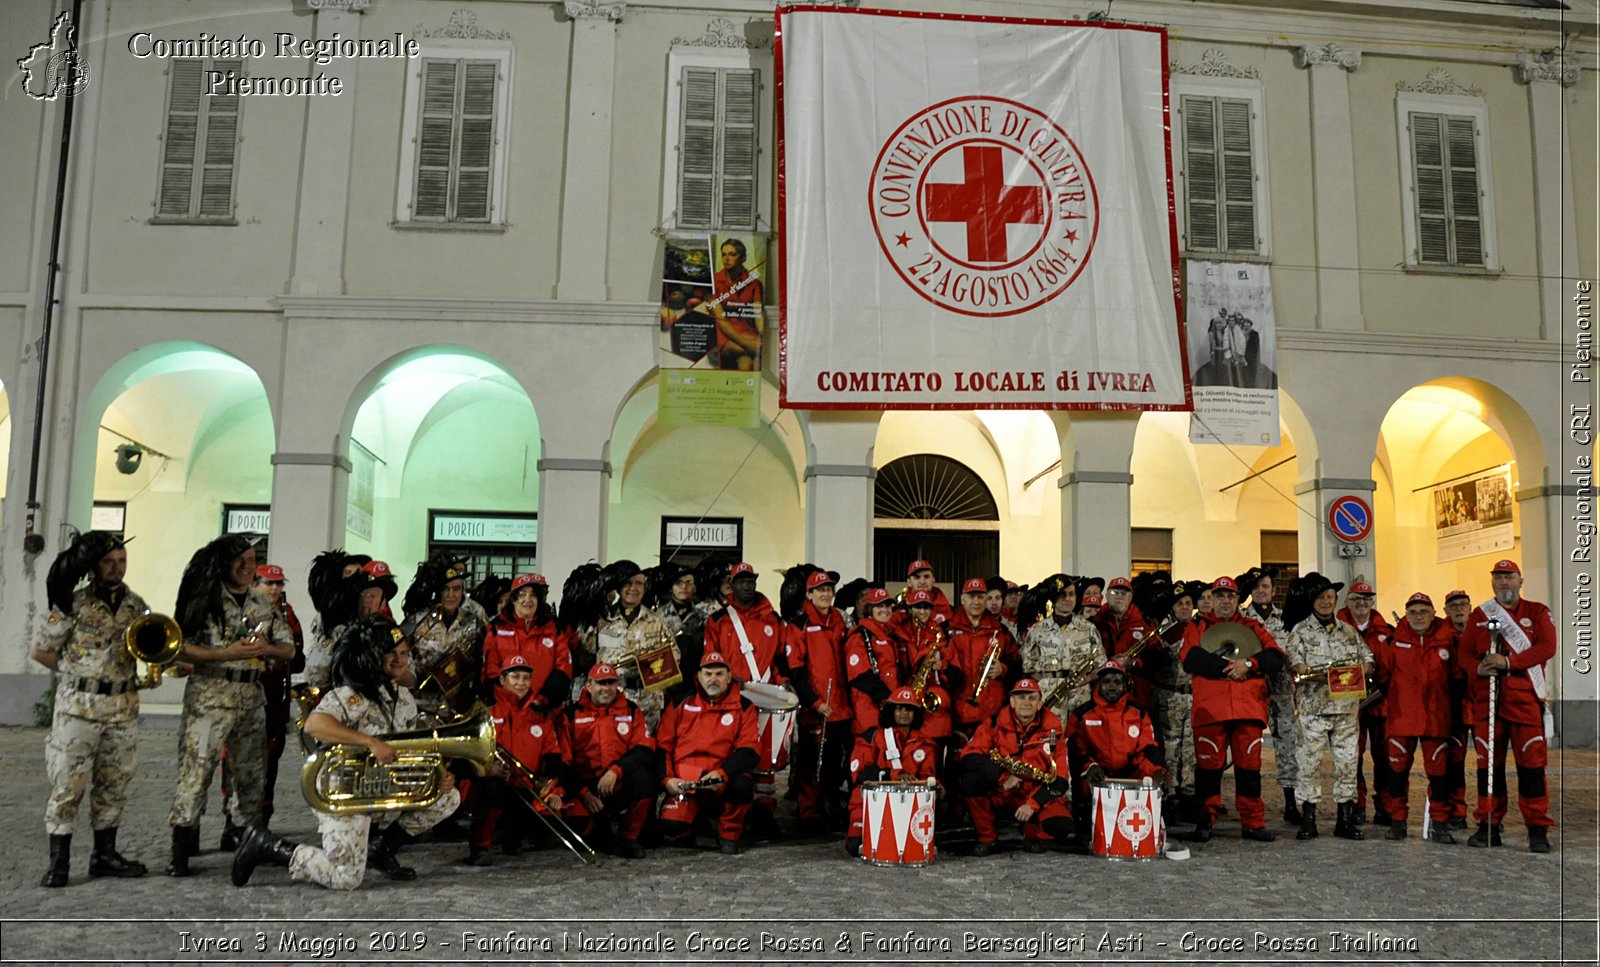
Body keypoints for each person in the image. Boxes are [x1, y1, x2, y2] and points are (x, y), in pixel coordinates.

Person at [231, 617, 460, 889]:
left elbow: (409, 749)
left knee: (447, 797)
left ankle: (379, 848)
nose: (400, 661)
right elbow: (315, 725)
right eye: (392, 654)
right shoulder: (354, 693)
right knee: (346, 878)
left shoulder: (405, 698)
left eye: (404, 654)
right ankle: (268, 845)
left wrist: (439, 775)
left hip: (379, 786)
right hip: (343, 789)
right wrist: (370, 743)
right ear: (374, 656)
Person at [167, 536, 296, 877]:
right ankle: (180, 850)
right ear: (224, 564)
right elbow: (179, 649)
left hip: (251, 700)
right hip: (209, 698)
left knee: (253, 777)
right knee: (196, 773)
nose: (246, 566)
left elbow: (289, 650)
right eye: (239, 560)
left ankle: (250, 840)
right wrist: (224, 654)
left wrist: (265, 647)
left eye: (251, 559)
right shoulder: (204, 599)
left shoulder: (261, 601)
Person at [33, 532, 150, 887]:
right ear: (94, 566)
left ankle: (105, 855)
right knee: (68, 786)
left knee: (114, 784)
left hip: (122, 709)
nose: (117, 568)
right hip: (78, 711)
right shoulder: (72, 604)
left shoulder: (136, 606)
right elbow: (41, 652)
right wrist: (79, 675)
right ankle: (59, 862)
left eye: (122, 561)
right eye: (109, 562)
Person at [1456, 560, 1557, 852]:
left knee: (1532, 769)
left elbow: (1547, 647)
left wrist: (1509, 662)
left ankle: (1537, 830)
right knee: (1489, 769)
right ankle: (1489, 825)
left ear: (1520, 580)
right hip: (1487, 703)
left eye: (1509, 577)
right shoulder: (1479, 615)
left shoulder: (1538, 612)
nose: (1504, 583)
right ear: (1492, 583)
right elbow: (1464, 655)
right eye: (1499, 578)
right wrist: (1478, 669)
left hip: (1524, 703)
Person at [1179, 575, 1284, 842]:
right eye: (1220, 596)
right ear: (1211, 599)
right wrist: (1229, 666)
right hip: (1211, 710)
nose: (1225, 601)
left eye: (1231, 596)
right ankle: (1205, 821)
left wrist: (1248, 665)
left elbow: (1274, 657)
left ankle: (1253, 822)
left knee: (1249, 769)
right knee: (1208, 769)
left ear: (1238, 600)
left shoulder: (1252, 626)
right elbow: (1190, 658)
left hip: (1247, 709)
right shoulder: (1198, 626)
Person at [220, 563, 305, 849]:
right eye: (269, 583)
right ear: (254, 583)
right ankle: (231, 825)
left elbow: (298, 655)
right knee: (234, 765)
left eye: (279, 584)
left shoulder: (286, 613)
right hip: (239, 700)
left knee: (268, 768)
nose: (275, 589)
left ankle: (259, 826)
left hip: (274, 704)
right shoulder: (239, 610)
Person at [702, 563, 789, 835]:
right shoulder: (717, 620)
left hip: (767, 695)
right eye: (740, 581)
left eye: (750, 580)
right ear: (732, 584)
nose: (746, 586)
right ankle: (734, 813)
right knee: (735, 754)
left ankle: (764, 813)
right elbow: (710, 661)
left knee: (767, 759)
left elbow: (779, 659)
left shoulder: (772, 619)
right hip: (733, 699)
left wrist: (783, 684)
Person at [1282, 573, 1369, 840]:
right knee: (1308, 764)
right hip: (1313, 710)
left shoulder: (1347, 630)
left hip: (1345, 710)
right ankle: (1309, 819)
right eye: (1321, 597)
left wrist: (1363, 670)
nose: (1326, 601)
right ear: (1313, 601)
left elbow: (1367, 657)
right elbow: (1295, 664)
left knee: (1347, 764)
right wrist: (1315, 673)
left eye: (1330, 597)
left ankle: (1345, 819)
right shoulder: (1300, 631)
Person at [467, 658, 569, 865]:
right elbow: (469, 757)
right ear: (502, 680)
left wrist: (551, 786)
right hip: (492, 784)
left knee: (546, 826)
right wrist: (489, 769)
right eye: (515, 677)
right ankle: (480, 846)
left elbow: (552, 754)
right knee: (493, 790)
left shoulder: (540, 717)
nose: (521, 683)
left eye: (525, 678)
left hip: (525, 787)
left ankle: (515, 837)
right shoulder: (486, 714)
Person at [1378, 593, 1462, 842]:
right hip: (1401, 719)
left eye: (1423, 611)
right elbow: (1383, 677)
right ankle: (1397, 821)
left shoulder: (1447, 640)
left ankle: (1440, 823)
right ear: (1406, 614)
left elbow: (1457, 676)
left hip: (1436, 720)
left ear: (1434, 612)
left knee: (1438, 775)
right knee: (1396, 774)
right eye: (1413, 612)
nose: (1418, 617)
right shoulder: (1393, 641)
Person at [656, 652, 759, 854]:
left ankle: (728, 834)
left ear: (729, 677)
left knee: (743, 786)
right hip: (685, 782)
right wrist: (667, 779)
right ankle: (689, 824)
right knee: (672, 828)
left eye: (719, 674)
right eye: (708, 673)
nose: (713, 679)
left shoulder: (744, 706)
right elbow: (663, 746)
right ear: (699, 676)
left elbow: (750, 750)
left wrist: (723, 773)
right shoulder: (680, 703)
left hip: (720, 781)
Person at [957, 678, 1072, 854]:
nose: (1026, 703)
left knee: (1061, 825)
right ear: (1011, 702)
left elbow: (1061, 780)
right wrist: (1001, 776)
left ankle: (1030, 832)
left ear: (1040, 703)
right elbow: (968, 757)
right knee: (970, 781)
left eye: (1032, 698)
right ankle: (987, 837)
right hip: (1002, 791)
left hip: (1034, 794)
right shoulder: (994, 723)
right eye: (1020, 697)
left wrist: (1032, 804)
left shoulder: (1054, 732)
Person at [782, 570, 853, 833]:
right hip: (816, 708)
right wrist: (814, 702)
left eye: (829, 590)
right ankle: (809, 811)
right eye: (820, 590)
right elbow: (796, 672)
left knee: (833, 762)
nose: (825, 594)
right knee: (811, 762)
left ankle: (831, 804)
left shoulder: (840, 621)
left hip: (842, 707)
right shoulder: (798, 625)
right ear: (809, 594)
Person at [563, 663, 657, 859]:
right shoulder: (572, 714)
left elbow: (645, 749)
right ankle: (598, 829)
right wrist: (584, 794)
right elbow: (564, 762)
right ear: (588, 686)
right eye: (600, 683)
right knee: (584, 831)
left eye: (611, 683)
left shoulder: (631, 710)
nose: (606, 688)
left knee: (645, 779)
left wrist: (616, 770)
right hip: (584, 786)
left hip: (617, 781)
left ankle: (629, 837)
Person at [1067, 662, 1167, 843]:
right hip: (1097, 774)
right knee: (1080, 779)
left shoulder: (1138, 713)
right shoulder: (1082, 714)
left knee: (1153, 779)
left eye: (1117, 681)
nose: (1112, 686)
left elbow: (1147, 748)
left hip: (1129, 772)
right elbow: (1075, 750)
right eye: (1106, 682)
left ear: (1125, 685)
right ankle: (1084, 823)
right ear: (1098, 685)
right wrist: (1090, 767)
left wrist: (1158, 771)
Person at [845, 687, 940, 858]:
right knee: (855, 847)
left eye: (909, 709)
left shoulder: (926, 744)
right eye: (899, 708)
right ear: (890, 711)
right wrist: (893, 776)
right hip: (868, 803)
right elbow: (860, 775)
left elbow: (927, 776)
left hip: (909, 806)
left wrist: (937, 787)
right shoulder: (872, 737)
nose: (904, 713)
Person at [1238, 566, 1298, 825]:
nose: (1261, 591)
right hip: (1251, 691)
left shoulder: (1287, 619)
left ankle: (1291, 802)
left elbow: (1294, 652)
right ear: (1250, 591)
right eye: (1257, 587)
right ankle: (1251, 802)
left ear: (1274, 591)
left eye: (1266, 586)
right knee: (1248, 747)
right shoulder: (1240, 620)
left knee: (1287, 745)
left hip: (1282, 691)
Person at [586, 561, 675, 729]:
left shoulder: (656, 621)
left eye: (638, 583)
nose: (633, 588)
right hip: (610, 699)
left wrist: (644, 667)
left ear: (644, 587)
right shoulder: (603, 620)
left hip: (647, 702)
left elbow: (673, 657)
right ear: (618, 587)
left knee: (645, 752)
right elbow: (587, 653)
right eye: (627, 583)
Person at [1337, 580, 1396, 827]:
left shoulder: (1388, 632)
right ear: (1347, 602)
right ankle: (1356, 804)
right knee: (1353, 758)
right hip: (1349, 705)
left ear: (1372, 602)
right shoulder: (1337, 630)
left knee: (1384, 759)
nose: (1362, 603)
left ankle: (1385, 805)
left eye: (1366, 598)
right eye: (1356, 599)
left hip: (1380, 704)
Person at [400, 555, 487, 720]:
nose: (451, 595)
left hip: (459, 708)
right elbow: (399, 652)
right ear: (438, 592)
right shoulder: (418, 620)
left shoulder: (474, 621)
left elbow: (484, 660)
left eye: (457, 589)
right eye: (446, 589)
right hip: (420, 706)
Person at [1144, 580, 1203, 823]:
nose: (1184, 607)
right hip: (1168, 694)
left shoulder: (1199, 629)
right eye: (1179, 603)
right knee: (1169, 748)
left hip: (1192, 694)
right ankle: (1169, 795)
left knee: (1190, 749)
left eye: (1188, 603)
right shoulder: (1163, 631)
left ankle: (1189, 794)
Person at [480, 573, 573, 713]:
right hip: (504, 711)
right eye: (522, 594)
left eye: (533, 595)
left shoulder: (555, 630)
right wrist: (505, 702)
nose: (527, 599)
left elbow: (563, 669)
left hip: (543, 712)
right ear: (513, 599)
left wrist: (542, 701)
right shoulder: (495, 629)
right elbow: (490, 671)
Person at [948, 577, 1019, 745]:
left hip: (991, 714)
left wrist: (1003, 669)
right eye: (971, 596)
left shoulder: (1001, 631)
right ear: (962, 599)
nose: (976, 601)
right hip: (957, 714)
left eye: (980, 597)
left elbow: (1017, 665)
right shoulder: (947, 629)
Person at [1021, 575, 1104, 715]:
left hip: (1080, 695)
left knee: (1079, 736)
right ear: (1053, 598)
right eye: (1062, 595)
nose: (1067, 599)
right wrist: (1046, 681)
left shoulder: (1088, 629)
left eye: (1071, 594)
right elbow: (1028, 666)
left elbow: (1100, 664)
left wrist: (1087, 679)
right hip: (1049, 696)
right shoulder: (1037, 630)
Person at [843, 588, 901, 737]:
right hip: (868, 709)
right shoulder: (860, 636)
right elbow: (859, 676)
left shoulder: (890, 635)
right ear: (869, 609)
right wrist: (887, 699)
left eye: (888, 606)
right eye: (879, 606)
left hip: (888, 706)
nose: (885, 610)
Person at [1091, 577, 1152, 711]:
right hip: (1102, 689)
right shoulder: (1096, 621)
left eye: (1124, 594)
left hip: (1135, 691)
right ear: (1106, 596)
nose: (1119, 597)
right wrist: (1109, 662)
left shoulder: (1142, 623)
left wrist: (1134, 663)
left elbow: (1154, 658)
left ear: (1130, 598)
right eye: (1115, 593)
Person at [1441, 588, 1474, 829]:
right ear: (1446, 611)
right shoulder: (1441, 635)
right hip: (1453, 705)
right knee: (1455, 762)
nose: (1459, 609)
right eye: (1454, 606)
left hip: (1481, 702)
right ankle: (1457, 810)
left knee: (1488, 761)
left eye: (1463, 604)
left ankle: (1489, 813)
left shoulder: (1482, 631)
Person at [709, 237, 763, 371]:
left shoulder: (754, 283)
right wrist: (752, 345)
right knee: (756, 350)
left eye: (732, 254)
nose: (726, 258)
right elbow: (721, 320)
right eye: (724, 254)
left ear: (743, 258)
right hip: (722, 331)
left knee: (747, 364)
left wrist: (762, 335)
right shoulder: (714, 281)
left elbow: (758, 314)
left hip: (744, 328)